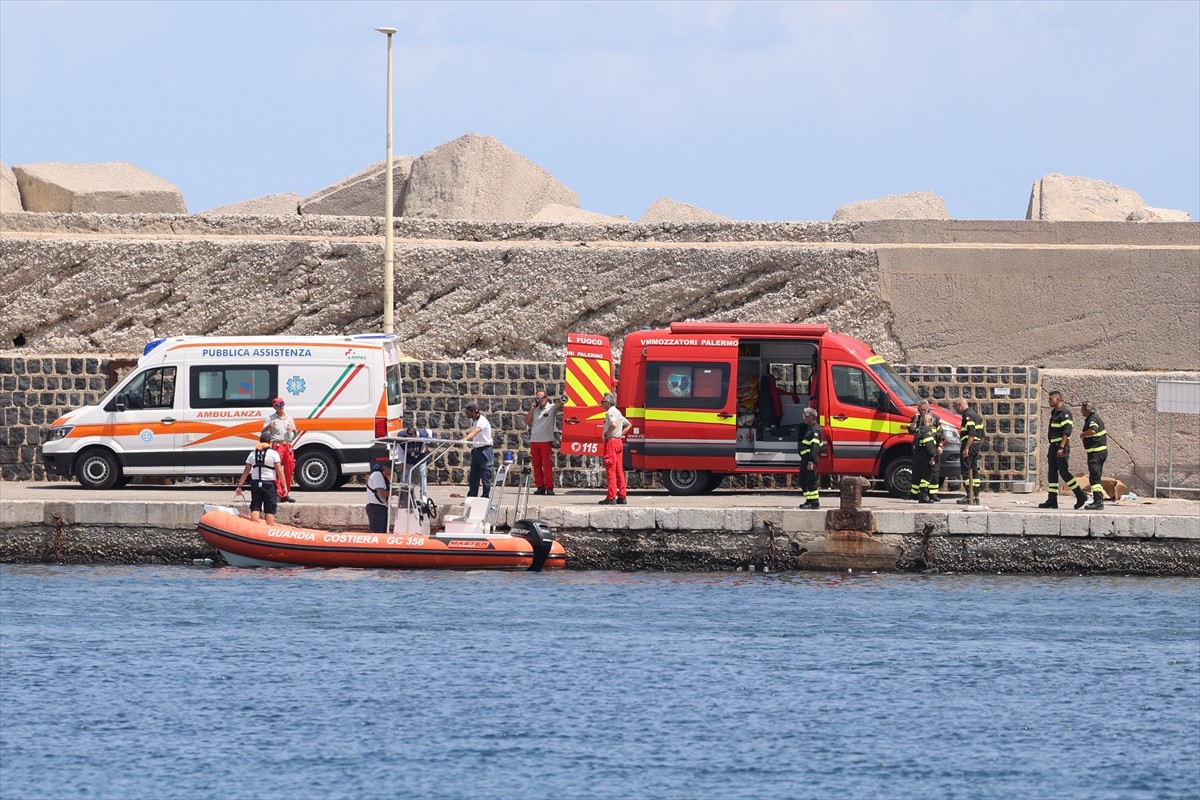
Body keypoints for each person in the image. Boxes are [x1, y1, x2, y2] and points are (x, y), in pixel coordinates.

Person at [1039, 390, 1088, 509]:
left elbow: (1067, 432)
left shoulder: (1065, 413)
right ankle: (1052, 499)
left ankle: (1080, 495)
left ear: (1058, 399)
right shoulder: (1054, 412)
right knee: (1052, 473)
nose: (1049, 401)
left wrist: (1061, 447)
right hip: (1053, 446)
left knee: (1064, 472)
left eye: (1051, 399)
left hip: (1061, 447)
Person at [234, 431, 282, 525]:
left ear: (260, 441)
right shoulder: (273, 454)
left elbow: (246, 472)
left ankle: (254, 529)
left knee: (255, 507)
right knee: (269, 510)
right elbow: (280, 472)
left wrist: (239, 486)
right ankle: (270, 532)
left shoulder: (252, 454)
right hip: (269, 485)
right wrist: (284, 487)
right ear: (270, 442)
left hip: (255, 484)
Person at [598, 392, 632, 505]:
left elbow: (612, 424)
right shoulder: (618, 412)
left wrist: (607, 434)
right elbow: (628, 425)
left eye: (602, 402)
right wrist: (620, 434)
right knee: (619, 470)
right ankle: (622, 496)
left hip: (611, 442)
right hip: (618, 442)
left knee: (610, 469)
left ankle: (611, 497)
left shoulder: (610, 412)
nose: (601, 404)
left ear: (607, 402)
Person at [262, 397, 298, 503]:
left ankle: (285, 493)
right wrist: (269, 426)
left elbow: (296, 433)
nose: (281, 406)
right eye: (278, 405)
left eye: (282, 404)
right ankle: (278, 493)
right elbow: (262, 431)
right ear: (274, 407)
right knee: (277, 470)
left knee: (289, 469)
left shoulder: (289, 417)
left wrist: (294, 430)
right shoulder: (271, 418)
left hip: (288, 444)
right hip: (277, 444)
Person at [523, 389, 559, 495]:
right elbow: (526, 421)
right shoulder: (535, 410)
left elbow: (560, 404)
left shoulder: (551, 408)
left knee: (547, 465)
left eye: (541, 398)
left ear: (546, 398)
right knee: (536, 465)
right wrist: (532, 409)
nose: (540, 400)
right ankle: (540, 486)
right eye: (537, 398)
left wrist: (564, 397)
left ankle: (549, 487)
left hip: (545, 441)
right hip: (534, 441)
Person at [908, 400, 944, 501]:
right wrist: (915, 419)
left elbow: (941, 433)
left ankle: (933, 494)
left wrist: (940, 446)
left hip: (932, 448)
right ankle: (915, 493)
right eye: (921, 409)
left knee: (934, 472)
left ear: (928, 408)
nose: (923, 411)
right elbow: (911, 430)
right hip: (919, 450)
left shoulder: (935, 418)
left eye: (924, 409)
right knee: (917, 471)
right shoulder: (916, 418)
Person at [954, 397, 985, 505]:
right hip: (975, 446)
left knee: (966, 471)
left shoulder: (968, 416)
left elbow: (972, 434)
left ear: (960, 405)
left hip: (969, 444)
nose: (956, 410)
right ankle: (976, 497)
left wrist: (967, 448)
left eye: (956, 407)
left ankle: (969, 497)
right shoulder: (976, 415)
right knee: (975, 471)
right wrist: (977, 447)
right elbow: (982, 435)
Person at [1079, 400, 1108, 511]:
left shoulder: (1092, 419)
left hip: (1096, 453)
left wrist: (1083, 434)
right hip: (1098, 452)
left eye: (1082, 409)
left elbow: (1093, 430)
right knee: (1096, 476)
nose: (1081, 411)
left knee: (1094, 477)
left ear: (1087, 409)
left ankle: (1098, 502)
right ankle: (1098, 500)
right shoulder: (1093, 418)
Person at [462, 402, 494, 498]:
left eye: (468, 412)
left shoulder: (482, 421)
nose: (466, 414)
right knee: (474, 476)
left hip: (485, 450)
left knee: (486, 475)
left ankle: (485, 497)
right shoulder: (474, 420)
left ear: (474, 411)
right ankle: (472, 497)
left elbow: (476, 431)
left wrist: (465, 439)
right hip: (477, 450)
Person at [797, 407, 823, 509]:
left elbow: (815, 447)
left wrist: (811, 461)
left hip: (809, 459)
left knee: (811, 480)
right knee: (804, 480)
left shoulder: (815, 430)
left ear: (811, 417)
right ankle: (808, 501)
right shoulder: (809, 428)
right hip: (805, 458)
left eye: (806, 416)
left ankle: (814, 502)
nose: (803, 418)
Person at [913, 411, 939, 504]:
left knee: (921, 476)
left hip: (919, 456)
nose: (933, 422)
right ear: (930, 420)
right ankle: (923, 496)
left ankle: (921, 495)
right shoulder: (927, 431)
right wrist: (933, 457)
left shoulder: (919, 429)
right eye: (932, 420)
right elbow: (930, 446)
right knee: (926, 477)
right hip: (926, 457)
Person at [403, 423, 433, 499]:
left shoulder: (423, 434)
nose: (410, 440)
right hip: (408, 457)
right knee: (406, 475)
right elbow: (400, 451)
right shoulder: (401, 435)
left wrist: (427, 444)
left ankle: (423, 496)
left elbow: (430, 432)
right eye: (409, 438)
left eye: (412, 438)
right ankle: (405, 494)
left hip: (420, 456)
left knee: (422, 474)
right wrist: (403, 462)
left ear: (415, 435)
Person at [365, 460, 391, 533]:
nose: (391, 473)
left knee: (382, 533)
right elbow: (381, 493)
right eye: (391, 470)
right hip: (376, 508)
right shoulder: (377, 475)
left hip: (380, 508)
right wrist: (395, 493)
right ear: (386, 468)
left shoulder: (381, 476)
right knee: (377, 534)